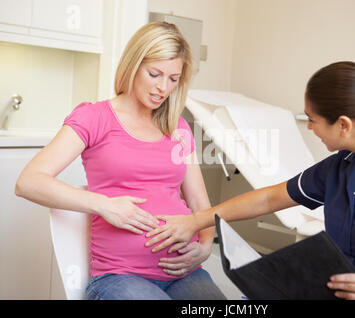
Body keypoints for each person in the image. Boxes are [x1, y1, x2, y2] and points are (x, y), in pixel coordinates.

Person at [145, 61, 355, 300]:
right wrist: (195, 221)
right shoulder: (342, 167)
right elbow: (268, 198)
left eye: (312, 119)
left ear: (343, 125)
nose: (310, 127)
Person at [15, 21, 226, 300]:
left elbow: (200, 203)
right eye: (155, 74)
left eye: (173, 79)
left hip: (184, 272)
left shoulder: (177, 128)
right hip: (119, 276)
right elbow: (28, 181)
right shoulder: (95, 117)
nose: (163, 88)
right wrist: (104, 205)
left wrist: (205, 243)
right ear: (134, 64)